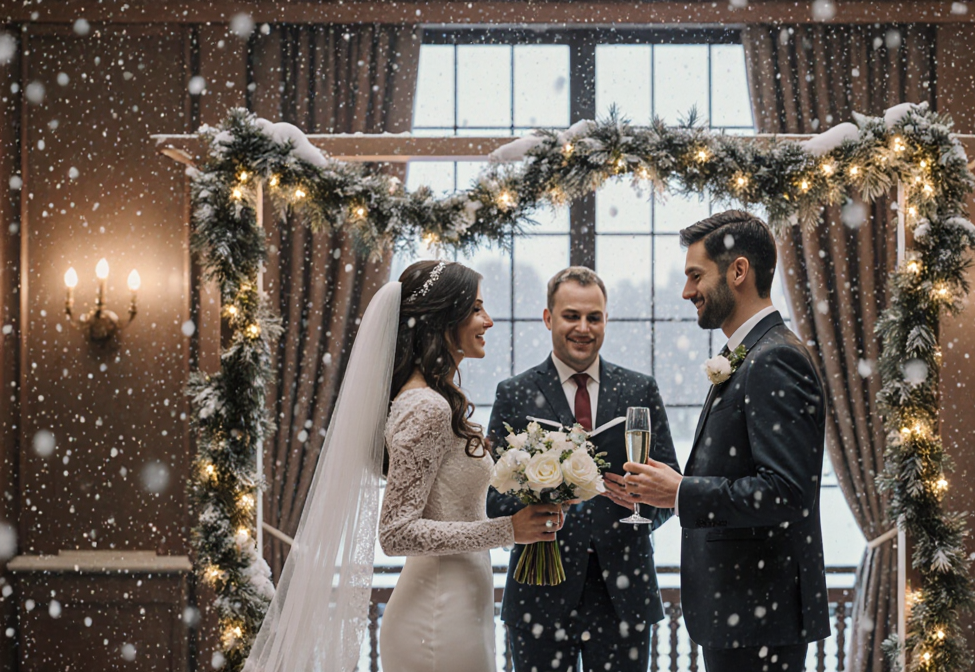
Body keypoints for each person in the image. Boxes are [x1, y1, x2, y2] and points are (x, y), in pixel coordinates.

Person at [243, 260, 563, 672]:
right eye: (476, 309)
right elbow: (395, 533)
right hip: (438, 615)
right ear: (443, 317)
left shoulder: (434, 400)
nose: (489, 320)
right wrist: (508, 529)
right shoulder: (424, 407)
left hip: (461, 604)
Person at [613, 211, 830, 672]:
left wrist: (680, 492)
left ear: (738, 271)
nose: (687, 291)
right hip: (745, 616)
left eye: (695, 276)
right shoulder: (752, 354)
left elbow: (787, 493)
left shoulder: (775, 360)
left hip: (760, 618)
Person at [486, 266, 680, 672]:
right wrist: (541, 499)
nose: (583, 327)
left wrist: (640, 501)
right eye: (571, 316)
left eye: (594, 317)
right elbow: (492, 498)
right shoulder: (515, 393)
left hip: (623, 595)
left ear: (606, 320)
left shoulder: (639, 390)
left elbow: (671, 491)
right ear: (548, 318)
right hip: (539, 591)